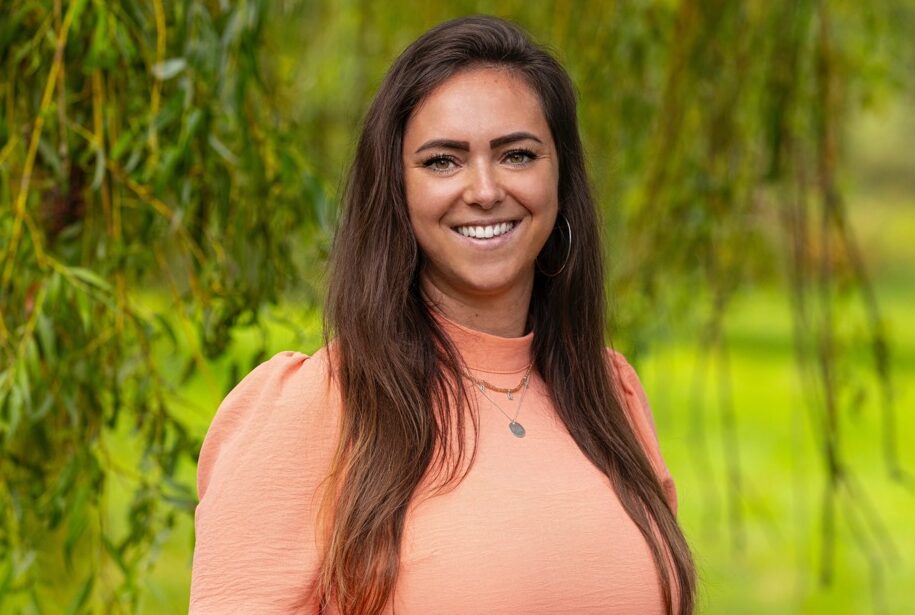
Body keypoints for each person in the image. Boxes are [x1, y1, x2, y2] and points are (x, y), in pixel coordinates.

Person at [190, 15, 696, 615]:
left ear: (561, 177)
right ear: (396, 191)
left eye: (517, 155)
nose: (484, 190)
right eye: (442, 162)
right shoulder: (319, 405)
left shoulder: (610, 393)